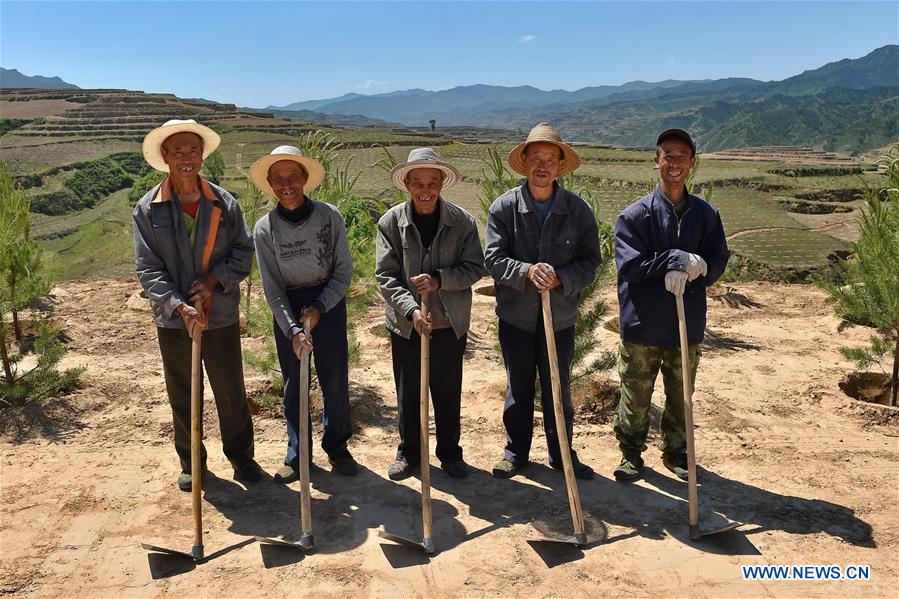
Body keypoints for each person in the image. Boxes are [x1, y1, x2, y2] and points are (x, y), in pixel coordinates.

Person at [133, 119, 261, 491]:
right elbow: (147, 267)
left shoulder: (225, 202)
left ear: (202, 155)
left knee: (230, 390)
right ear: (165, 156)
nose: (186, 157)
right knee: (182, 393)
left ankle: (242, 457)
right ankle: (192, 463)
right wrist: (177, 304)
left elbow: (243, 253)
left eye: (193, 150)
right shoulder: (148, 209)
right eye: (178, 151)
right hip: (174, 321)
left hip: (219, 314)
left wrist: (213, 281)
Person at [612, 128, 730, 482]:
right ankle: (631, 454)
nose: (674, 162)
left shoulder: (706, 216)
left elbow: (718, 257)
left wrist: (700, 268)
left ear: (692, 163)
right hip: (643, 324)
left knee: (681, 397)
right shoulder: (634, 216)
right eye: (667, 155)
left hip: (686, 325)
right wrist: (670, 261)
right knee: (635, 396)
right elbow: (630, 266)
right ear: (657, 161)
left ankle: (677, 452)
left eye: (682, 156)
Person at [484, 123, 601, 480]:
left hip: (560, 317)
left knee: (557, 387)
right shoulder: (504, 208)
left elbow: (590, 262)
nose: (543, 166)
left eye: (550, 159)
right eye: (537, 158)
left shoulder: (578, 211)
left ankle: (562, 453)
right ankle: (515, 452)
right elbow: (493, 257)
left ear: (559, 166)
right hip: (517, 317)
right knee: (519, 387)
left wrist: (562, 277)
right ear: (526, 163)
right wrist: (525, 271)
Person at [375, 148, 485, 480]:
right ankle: (409, 452)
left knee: (447, 389)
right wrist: (410, 311)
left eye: (432, 182)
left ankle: (450, 453)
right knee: (408, 391)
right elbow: (385, 276)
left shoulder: (462, 222)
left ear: (441, 184)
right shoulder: (391, 222)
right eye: (418, 182)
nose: (425, 190)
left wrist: (439, 280)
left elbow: (474, 268)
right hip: (407, 325)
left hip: (449, 322)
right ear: (407, 184)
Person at [250, 146, 358, 480]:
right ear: (269, 183)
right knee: (294, 384)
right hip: (289, 308)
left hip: (328, 302)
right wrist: (293, 329)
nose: (287, 184)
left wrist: (321, 306)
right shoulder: (265, 229)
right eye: (279, 179)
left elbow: (343, 272)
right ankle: (297, 454)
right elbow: (272, 288)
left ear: (305, 179)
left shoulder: (329, 217)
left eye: (293, 176)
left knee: (335, 380)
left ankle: (338, 449)